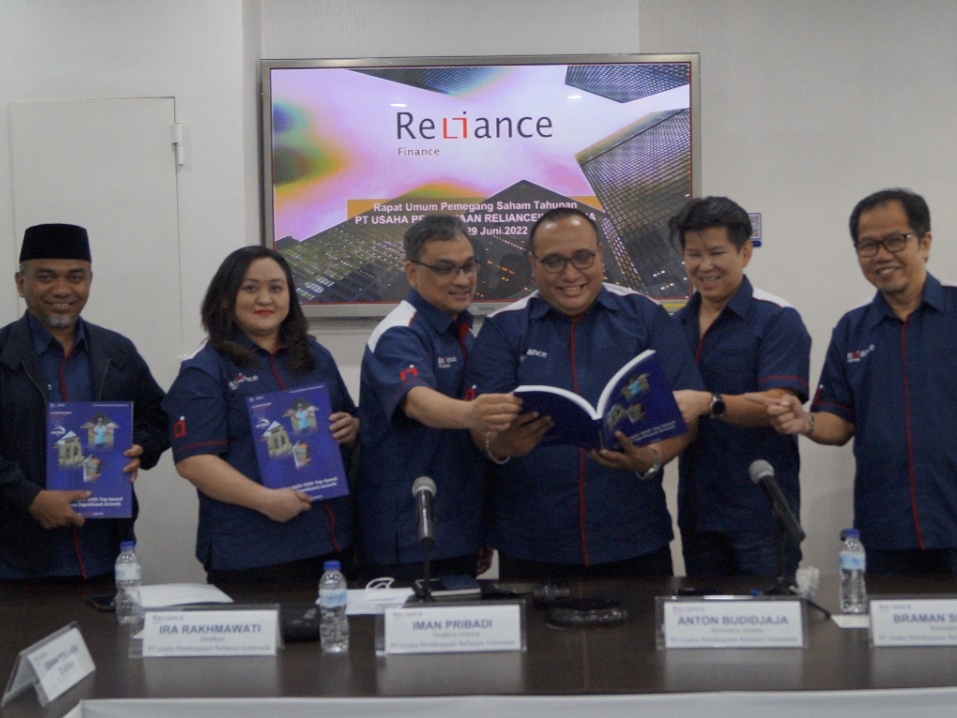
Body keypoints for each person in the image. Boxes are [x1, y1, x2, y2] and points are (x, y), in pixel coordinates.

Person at [465, 207, 703, 579]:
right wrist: (502, 444)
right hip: (532, 541)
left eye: (582, 258)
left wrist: (651, 458)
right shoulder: (504, 329)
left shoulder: (645, 316)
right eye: (554, 262)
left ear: (600, 255)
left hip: (633, 535)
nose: (570, 274)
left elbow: (684, 413)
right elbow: (480, 428)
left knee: (640, 638)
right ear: (533, 263)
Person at [761, 188, 957, 575]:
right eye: (868, 245)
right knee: (884, 634)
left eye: (895, 240)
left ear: (925, 242)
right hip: (886, 529)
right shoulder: (852, 329)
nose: (882, 255)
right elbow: (838, 421)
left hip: (952, 514)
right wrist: (805, 422)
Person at [163, 246, 358, 584]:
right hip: (254, 552)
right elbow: (193, 461)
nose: (264, 299)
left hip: (330, 544)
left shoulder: (315, 354)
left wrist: (351, 427)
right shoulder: (205, 368)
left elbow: (349, 417)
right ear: (225, 298)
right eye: (250, 287)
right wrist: (265, 501)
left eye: (276, 288)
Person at [0, 223, 168, 582]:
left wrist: (140, 446)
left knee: (107, 640)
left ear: (89, 280)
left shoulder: (117, 352)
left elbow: (159, 417)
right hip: (15, 561)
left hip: (105, 555)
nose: (62, 289)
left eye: (75, 277)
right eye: (46, 277)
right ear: (20, 282)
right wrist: (30, 497)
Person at [358, 214, 521, 580]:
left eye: (468, 267)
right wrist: (474, 414)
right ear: (412, 272)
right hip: (407, 533)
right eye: (445, 269)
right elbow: (416, 401)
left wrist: (482, 527)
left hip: (460, 528)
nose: (462, 280)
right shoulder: (399, 332)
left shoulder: (462, 330)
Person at [669, 197, 811, 578]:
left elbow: (780, 404)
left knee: (771, 629)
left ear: (745, 252)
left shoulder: (777, 318)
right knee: (704, 631)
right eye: (693, 254)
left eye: (717, 252)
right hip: (697, 513)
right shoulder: (674, 325)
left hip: (761, 515)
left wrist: (710, 403)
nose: (704, 265)